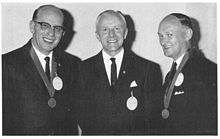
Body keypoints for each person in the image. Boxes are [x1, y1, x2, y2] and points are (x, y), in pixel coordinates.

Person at [77, 10, 163, 135]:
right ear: (97, 35)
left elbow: (152, 119)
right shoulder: (82, 69)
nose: (112, 35)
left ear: (125, 33)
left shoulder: (148, 69)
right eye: (105, 30)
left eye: (117, 28)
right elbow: (81, 115)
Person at [2, 5, 80, 135]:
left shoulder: (73, 64)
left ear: (63, 33)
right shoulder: (6, 64)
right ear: (32, 27)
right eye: (45, 25)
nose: (51, 33)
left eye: (57, 28)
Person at [157, 13, 217, 135]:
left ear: (187, 34)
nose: (163, 41)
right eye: (161, 36)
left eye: (169, 35)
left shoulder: (207, 71)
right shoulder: (171, 74)